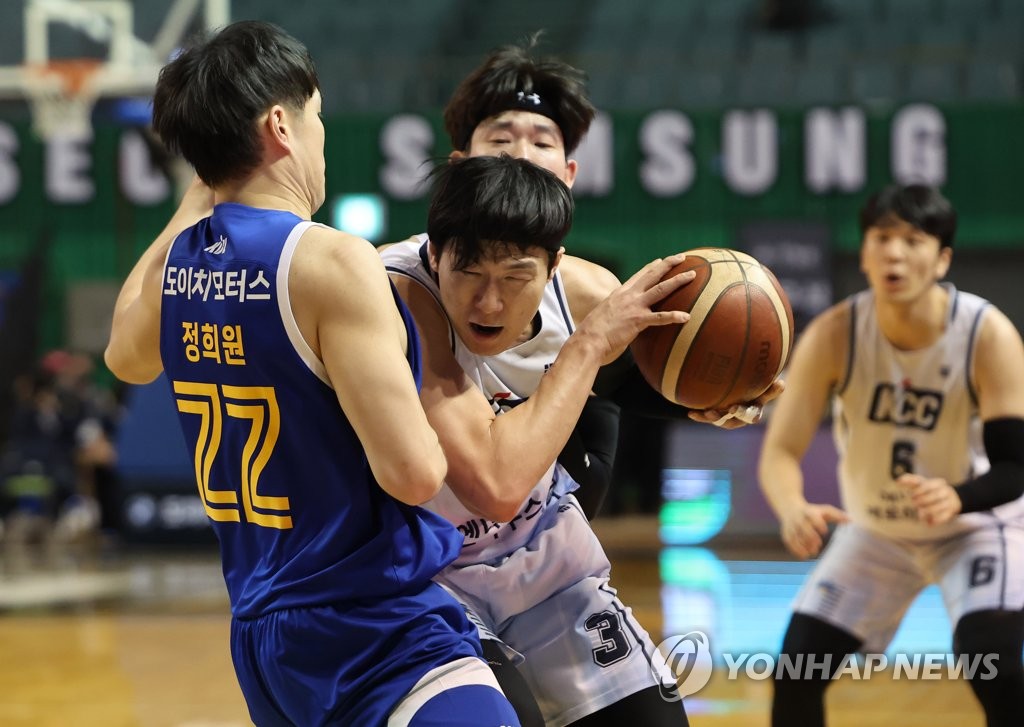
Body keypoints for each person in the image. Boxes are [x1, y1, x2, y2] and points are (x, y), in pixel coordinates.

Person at [103, 21, 520, 727]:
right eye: (317, 117)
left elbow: (124, 353)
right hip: (377, 626)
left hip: (265, 637)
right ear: (280, 126)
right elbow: (414, 474)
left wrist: (198, 193)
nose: (322, 137)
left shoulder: (179, 268)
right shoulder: (330, 261)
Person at [758, 184, 1024, 727]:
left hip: (974, 524)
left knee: (993, 666)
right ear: (863, 252)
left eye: (913, 240)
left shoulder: (985, 334)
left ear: (942, 258)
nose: (894, 254)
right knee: (796, 672)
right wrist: (793, 509)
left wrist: (957, 496)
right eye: (881, 238)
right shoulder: (835, 334)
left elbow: (1016, 468)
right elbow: (781, 452)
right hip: (877, 530)